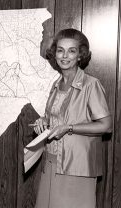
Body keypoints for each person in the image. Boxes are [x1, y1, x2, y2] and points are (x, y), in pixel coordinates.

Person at [33, 28, 112, 208]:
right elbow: (54, 119)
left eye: (72, 51)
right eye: (60, 50)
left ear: (80, 55)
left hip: (76, 167)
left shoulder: (91, 85)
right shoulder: (56, 83)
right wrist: (44, 122)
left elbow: (106, 126)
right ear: (55, 54)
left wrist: (70, 128)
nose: (65, 56)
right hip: (52, 163)